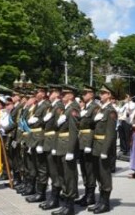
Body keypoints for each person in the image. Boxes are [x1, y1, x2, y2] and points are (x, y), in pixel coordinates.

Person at [88, 84, 117, 214]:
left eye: (104, 93)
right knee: (98, 174)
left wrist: (105, 151)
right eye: (101, 92)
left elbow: (110, 134)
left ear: (109, 95)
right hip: (96, 145)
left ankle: (105, 203)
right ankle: (100, 200)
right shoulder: (101, 110)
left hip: (103, 147)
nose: (101, 95)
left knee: (105, 175)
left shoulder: (110, 111)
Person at [51, 85, 80, 215]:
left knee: (69, 177)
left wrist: (70, 150)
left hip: (67, 145)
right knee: (62, 175)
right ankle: (66, 204)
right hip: (60, 145)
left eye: (64, 95)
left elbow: (74, 132)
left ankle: (70, 207)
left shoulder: (73, 108)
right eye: (61, 95)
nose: (61, 97)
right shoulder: (65, 109)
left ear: (71, 95)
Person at [74, 85, 99, 208]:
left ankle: (91, 196)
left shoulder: (95, 108)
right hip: (82, 141)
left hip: (88, 142)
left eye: (85, 93)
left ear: (91, 94)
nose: (83, 95)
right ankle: (87, 194)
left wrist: (90, 143)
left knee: (90, 169)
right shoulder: (86, 107)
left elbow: (96, 127)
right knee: (84, 168)